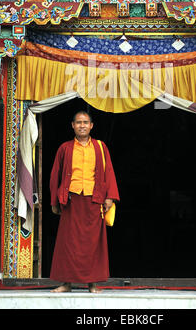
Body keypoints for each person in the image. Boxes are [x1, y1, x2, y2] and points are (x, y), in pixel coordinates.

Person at [49, 111, 119, 293]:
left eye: (85, 122)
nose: (82, 125)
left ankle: (93, 283)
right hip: (71, 200)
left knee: (93, 243)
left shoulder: (100, 147)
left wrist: (110, 196)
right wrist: (54, 201)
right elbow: (55, 175)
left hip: (94, 200)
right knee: (68, 243)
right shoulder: (65, 148)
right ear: (72, 125)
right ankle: (66, 283)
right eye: (78, 122)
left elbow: (109, 172)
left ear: (91, 125)